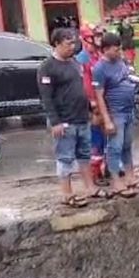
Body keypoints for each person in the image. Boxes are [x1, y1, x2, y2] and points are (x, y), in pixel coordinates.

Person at [37, 28, 102, 208]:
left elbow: (81, 88)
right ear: (57, 44)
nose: (72, 47)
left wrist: (91, 108)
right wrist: (55, 122)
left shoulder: (74, 63)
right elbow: (46, 98)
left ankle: (90, 187)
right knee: (65, 158)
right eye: (68, 44)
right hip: (64, 121)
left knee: (84, 155)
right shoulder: (47, 67)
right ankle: (66, 193)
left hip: (81, 118)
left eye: (74, 43)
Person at [92, 32, 139, 198]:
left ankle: (130, 177)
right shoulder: (99, 69)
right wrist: (107, 120)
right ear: (106, 49)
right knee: (114, 147)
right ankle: (116, 181)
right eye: (116, 50)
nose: (119, 52)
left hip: (128, 110)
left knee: (127, 145)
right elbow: (99, 96)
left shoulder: (120, 61)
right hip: (115, 113)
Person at [76, 23, 109, 186]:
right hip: (92, 105)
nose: (98, 40)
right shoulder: (83, 59)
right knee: (96, 139)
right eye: (94, 37)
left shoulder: (97, 55)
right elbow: (86, 84)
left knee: (106, 137)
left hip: (103, 100)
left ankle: (106, 168)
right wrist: (93, 103)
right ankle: (95, 172)